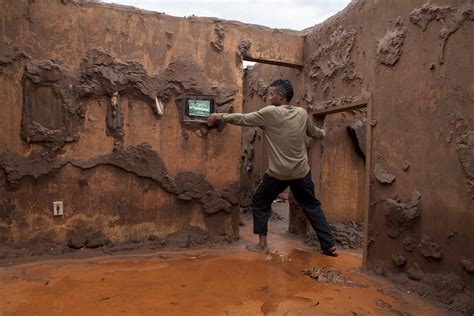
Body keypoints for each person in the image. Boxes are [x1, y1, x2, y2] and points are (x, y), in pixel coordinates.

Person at [208, 79, 337, 256]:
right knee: (311, 205)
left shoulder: (270, 113)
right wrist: (324, 132)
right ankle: (328, 244)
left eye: (271, 94)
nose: (269, 98)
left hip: (278, 174)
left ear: (281, 96)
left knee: (260, 201)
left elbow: (243, 119)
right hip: (301, 172)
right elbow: (314, 132)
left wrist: (219, 116)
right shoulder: (301, 113)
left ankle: (262, 245)